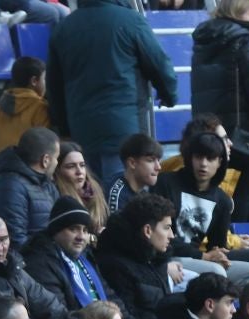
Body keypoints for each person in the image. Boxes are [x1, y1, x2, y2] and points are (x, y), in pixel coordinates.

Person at [45, 1, 177, 185]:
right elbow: (159, 63)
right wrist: (170, 94)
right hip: (125, 129)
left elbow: (54, 86)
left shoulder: (63, 28)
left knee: (93, 198)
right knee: (124, 196)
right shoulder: (131, 20)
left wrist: (63, 127)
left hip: (82, 129)